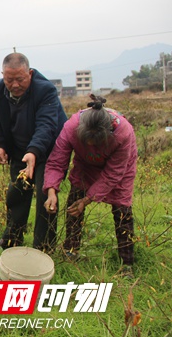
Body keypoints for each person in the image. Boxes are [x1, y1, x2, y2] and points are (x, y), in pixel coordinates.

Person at [43, 95, 137, 274]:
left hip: (120, 168)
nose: (92, 144)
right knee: (74, 202)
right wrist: (51, 191)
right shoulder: (71, 127)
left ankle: (126, 263)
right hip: (85, 164)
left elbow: (113, 173)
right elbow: (57, 161)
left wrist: (88, 200)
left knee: (122, 209)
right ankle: (71, 250)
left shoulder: (123, 132)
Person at [0, 52, 67, 252]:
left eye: (20, 79)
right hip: (20, 150)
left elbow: (46, 125)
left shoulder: (45, 90)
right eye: (9, 80)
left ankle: (44, 247)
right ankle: (12, 241)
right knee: (17, 194)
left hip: (48, 150)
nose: (15, 85)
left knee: (44, 197)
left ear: (30, 74)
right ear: (2, 76)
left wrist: (34, 151)